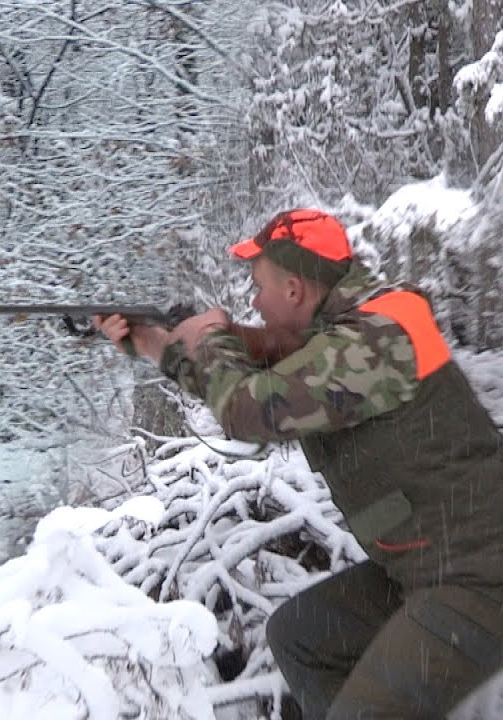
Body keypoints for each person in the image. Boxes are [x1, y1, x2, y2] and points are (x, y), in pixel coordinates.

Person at [95, 208, 503, 719]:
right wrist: (159, 346)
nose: (252, 301)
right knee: (301, 636)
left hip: (480, 576)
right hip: (426, 568)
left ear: (292, 290)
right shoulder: (344, 334)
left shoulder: (382, 335)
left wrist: (213, 336)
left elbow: (251, 410)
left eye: (258, 286)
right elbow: (256, 384)